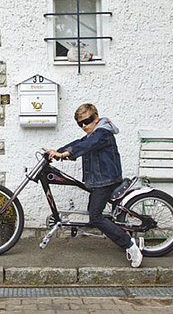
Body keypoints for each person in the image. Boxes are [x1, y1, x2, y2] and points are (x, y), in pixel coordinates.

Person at [46, 103, 144, 268]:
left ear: (96, 118)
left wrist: (63, 154)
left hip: (105, 181)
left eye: (87, 121)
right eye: (80, 124)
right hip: (99, 181)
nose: (84, 126)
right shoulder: (93, 134)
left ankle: (130, 245)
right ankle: (128, 236)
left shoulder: (102, 133)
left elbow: (86, 145)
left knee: (95, 217)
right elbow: (79, 142)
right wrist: (57, 151)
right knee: (95, 213)